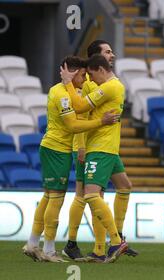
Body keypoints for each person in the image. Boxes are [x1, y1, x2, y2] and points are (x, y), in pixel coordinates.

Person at [22, 56, 119, 262]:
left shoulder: (64, 91)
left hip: (53, 148)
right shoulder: (63, 95)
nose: (85, 80)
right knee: (55, 199)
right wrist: (101, 121)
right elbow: (73, 126)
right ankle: (48, 250)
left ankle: (32, 243)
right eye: (83, 75)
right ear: (73, 73)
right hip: (57, 150)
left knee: (48, 197)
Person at [62, 40, 138, 260]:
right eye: (107, 52)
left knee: (113, 189)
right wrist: (82, 147)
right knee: (87, 195)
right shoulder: (90, 83)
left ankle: (112, 241)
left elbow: (85, 108)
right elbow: (80, 115)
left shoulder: (108, 85)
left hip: (105, 147)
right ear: (97, 60)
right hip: (88, 145)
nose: (112, 55)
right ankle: (88, 244)